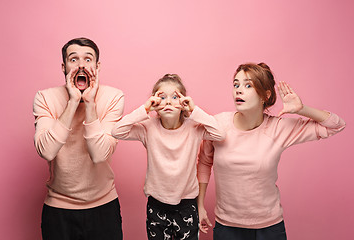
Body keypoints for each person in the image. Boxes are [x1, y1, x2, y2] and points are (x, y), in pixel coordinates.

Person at [197, 63, 346, 240]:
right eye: (236, 85)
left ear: (265, 95)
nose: (238, 90)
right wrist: (200, 206)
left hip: (269, 228)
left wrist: (301, 109)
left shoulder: (278, 128)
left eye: (248, 85)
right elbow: (204, 163)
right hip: (227, 227)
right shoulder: (218, 124)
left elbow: (336, 125)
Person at [111, 74, 225, 240]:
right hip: (157, 205)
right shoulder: (148, 128)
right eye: (162, 97)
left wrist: (194, 110)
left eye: (175, 97)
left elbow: (220, 134)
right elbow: (116, 131)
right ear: (154, 103)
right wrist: (145, 109)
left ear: (183, 103)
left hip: (187, 205)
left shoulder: (194, 128)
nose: (169, 102)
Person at [33, 37, 124, 240]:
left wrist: (89, 104)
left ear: (97, 66)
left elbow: (99, 154)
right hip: (58, 210)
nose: (81, 65)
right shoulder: (44, 98)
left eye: (88, 59)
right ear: (64, 66)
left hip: (104, 207)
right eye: (73, 59)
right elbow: (46, 150)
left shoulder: (113, 97)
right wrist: (73, 101)